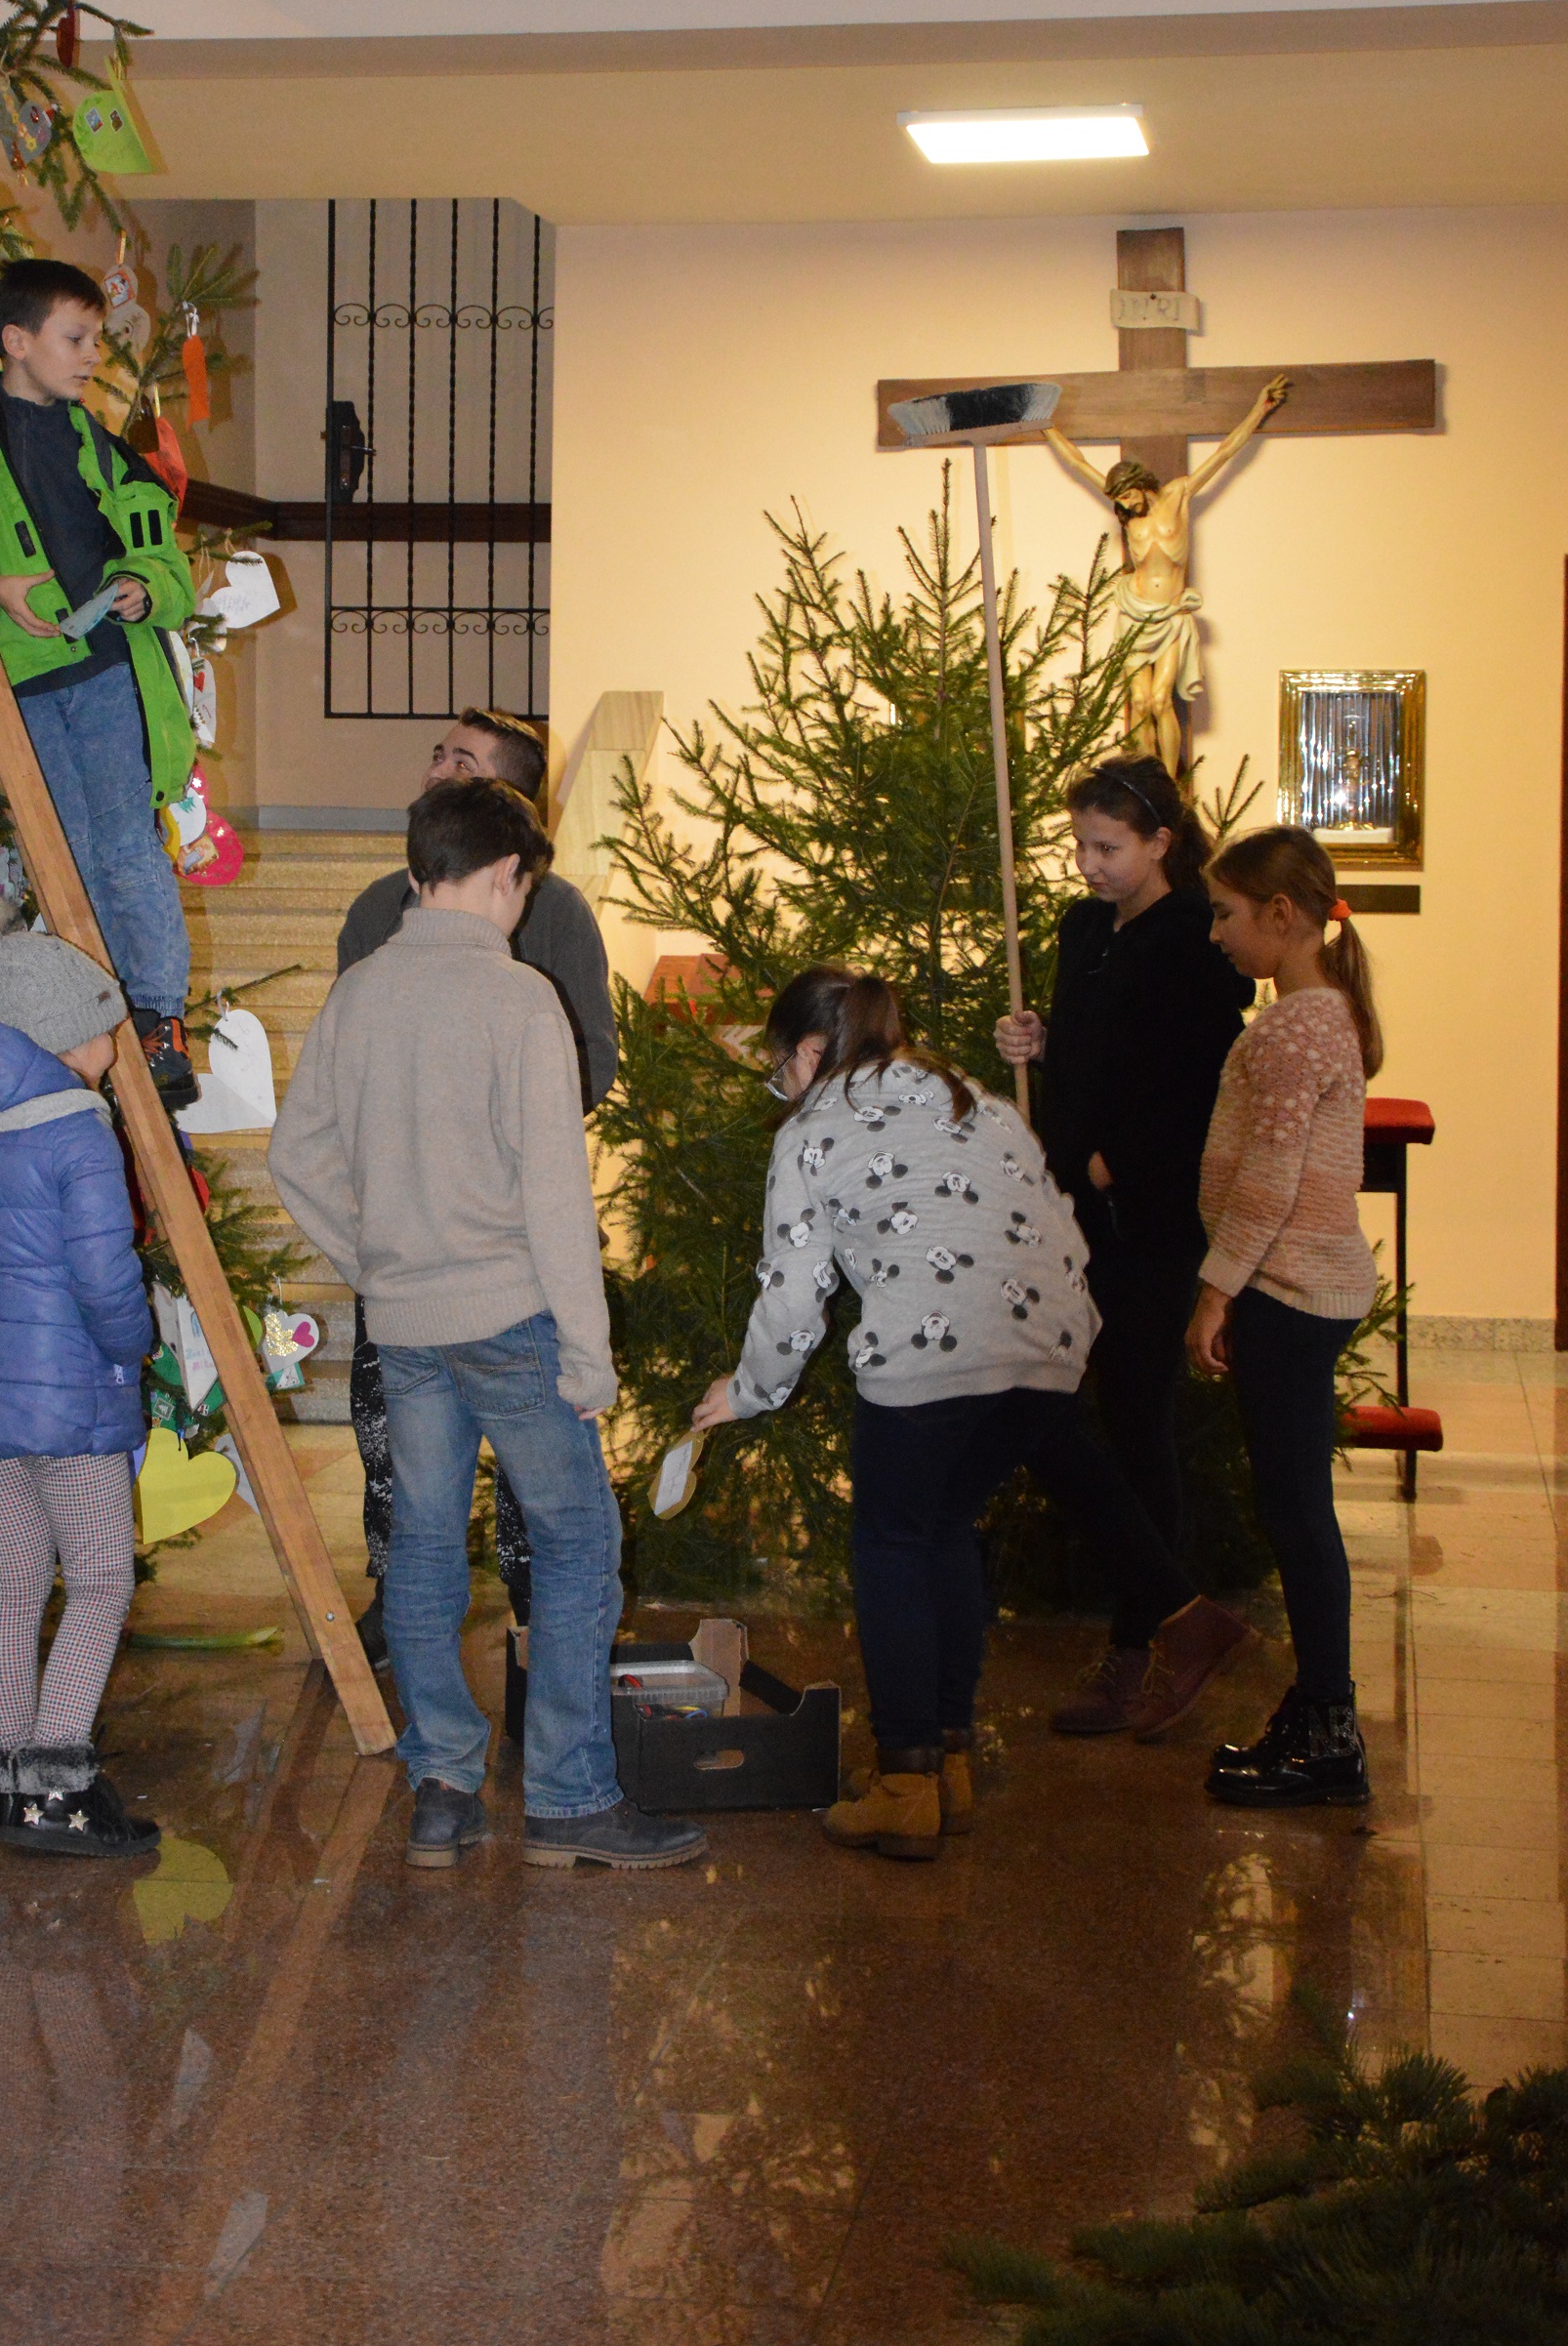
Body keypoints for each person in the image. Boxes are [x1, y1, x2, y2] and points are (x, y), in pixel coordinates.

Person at [691, 967, 1249, 1862]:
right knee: (942, 1527)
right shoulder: (972, 1096)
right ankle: (947, 1759)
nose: (780, 1084)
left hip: (932, 1350)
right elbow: (1056, 1217)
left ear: (809, 1052)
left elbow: (794, 1293)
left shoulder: (812, 1125)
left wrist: (748, 1390)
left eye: (779, 1065)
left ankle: (906, 1782)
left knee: (891, 1544)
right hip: (1050, 1347)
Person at [272, 774, 703, 1873]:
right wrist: (589, 1354)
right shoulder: (519, 1000)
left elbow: (296, 1157)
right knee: (577, 1541)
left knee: (421, 1545)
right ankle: (569, 1796)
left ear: (423, 870)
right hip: (512, 1318)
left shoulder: (359, 993)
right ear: (508, 875)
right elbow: (556, 1198)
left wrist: (372, 1262)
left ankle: (443, 1787)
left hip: (406, 1324)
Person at [335, 709, 618, 1662]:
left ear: (510, 801)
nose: (437, 768)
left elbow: (594, 1057)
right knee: (399, 1466)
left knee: (544, 1481)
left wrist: (496, 1127)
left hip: (510, 1251)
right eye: (437, 754)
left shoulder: (555, 911)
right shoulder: (375, 910)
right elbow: (343, 1085)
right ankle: (399, 1609)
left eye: (462, 759)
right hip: (402, 1252)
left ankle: (539, 1625)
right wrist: (366, 1238)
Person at [997, 755, 1255, 1734]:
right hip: (1068, 1208)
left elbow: (1202, 1085)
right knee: (1056, 1411)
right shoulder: (1081, 927)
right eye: (1079, 845)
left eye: (1107, 846)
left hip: (1145, 1220)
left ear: (1159, 843)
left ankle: (1141, 1646)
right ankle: (1166, 1623)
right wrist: (1039, 1042)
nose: (1088, 863)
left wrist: (1120, 1164)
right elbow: (1093, 1050)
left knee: (1136, 1419)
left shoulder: (1194, 935)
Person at [0, 259, 200, 1110]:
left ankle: (158, 1016)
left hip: (107, 668)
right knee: (67, 851)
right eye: (76, 338)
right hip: (21, 683)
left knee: (128, 845)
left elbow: (162, 552)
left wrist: (144, 587)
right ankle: (92, 1011)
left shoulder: (100, 446)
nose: (92, 355)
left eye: (96, 339)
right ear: (17, 341)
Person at [0, 922, 159, 1859]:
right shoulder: (78, 1129)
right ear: (66, 1034)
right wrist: (129, 1349)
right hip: (72, 1395)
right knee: (99, 1579)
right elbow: (106, 1276)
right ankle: (57, 1784)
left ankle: (13, 1780)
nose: (118, 1042)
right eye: (108, 1024)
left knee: (17, 1581)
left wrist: (0, 1316)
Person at [1191, 829, 1382, 1810]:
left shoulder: (1294, 1026)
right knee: (1295, 1508)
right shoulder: (1318, 1011)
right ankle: (1316, 1714)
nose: (1215, 932)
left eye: (1225, 913)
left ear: (1279, 914)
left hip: (1286, 1291)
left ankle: (1327, 1730)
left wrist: (1216, 1288)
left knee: (1299, 1515)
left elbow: (1269, 1181)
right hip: (1291, 1290)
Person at [1040, 378, 1288, 774]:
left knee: (1160, 700)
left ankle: (1168, 783)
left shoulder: (1178, 496)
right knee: (1139, 702)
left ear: (1140, 484)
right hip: (1134, 613)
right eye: (1118, 501)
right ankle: (1145, 778)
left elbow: (1225, 452)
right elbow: (1078, 464)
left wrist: (1259, 409)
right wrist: (1046, 427)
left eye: (1127, 496)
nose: (1124, 506)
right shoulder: (1128, 514)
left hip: (1169, 615)